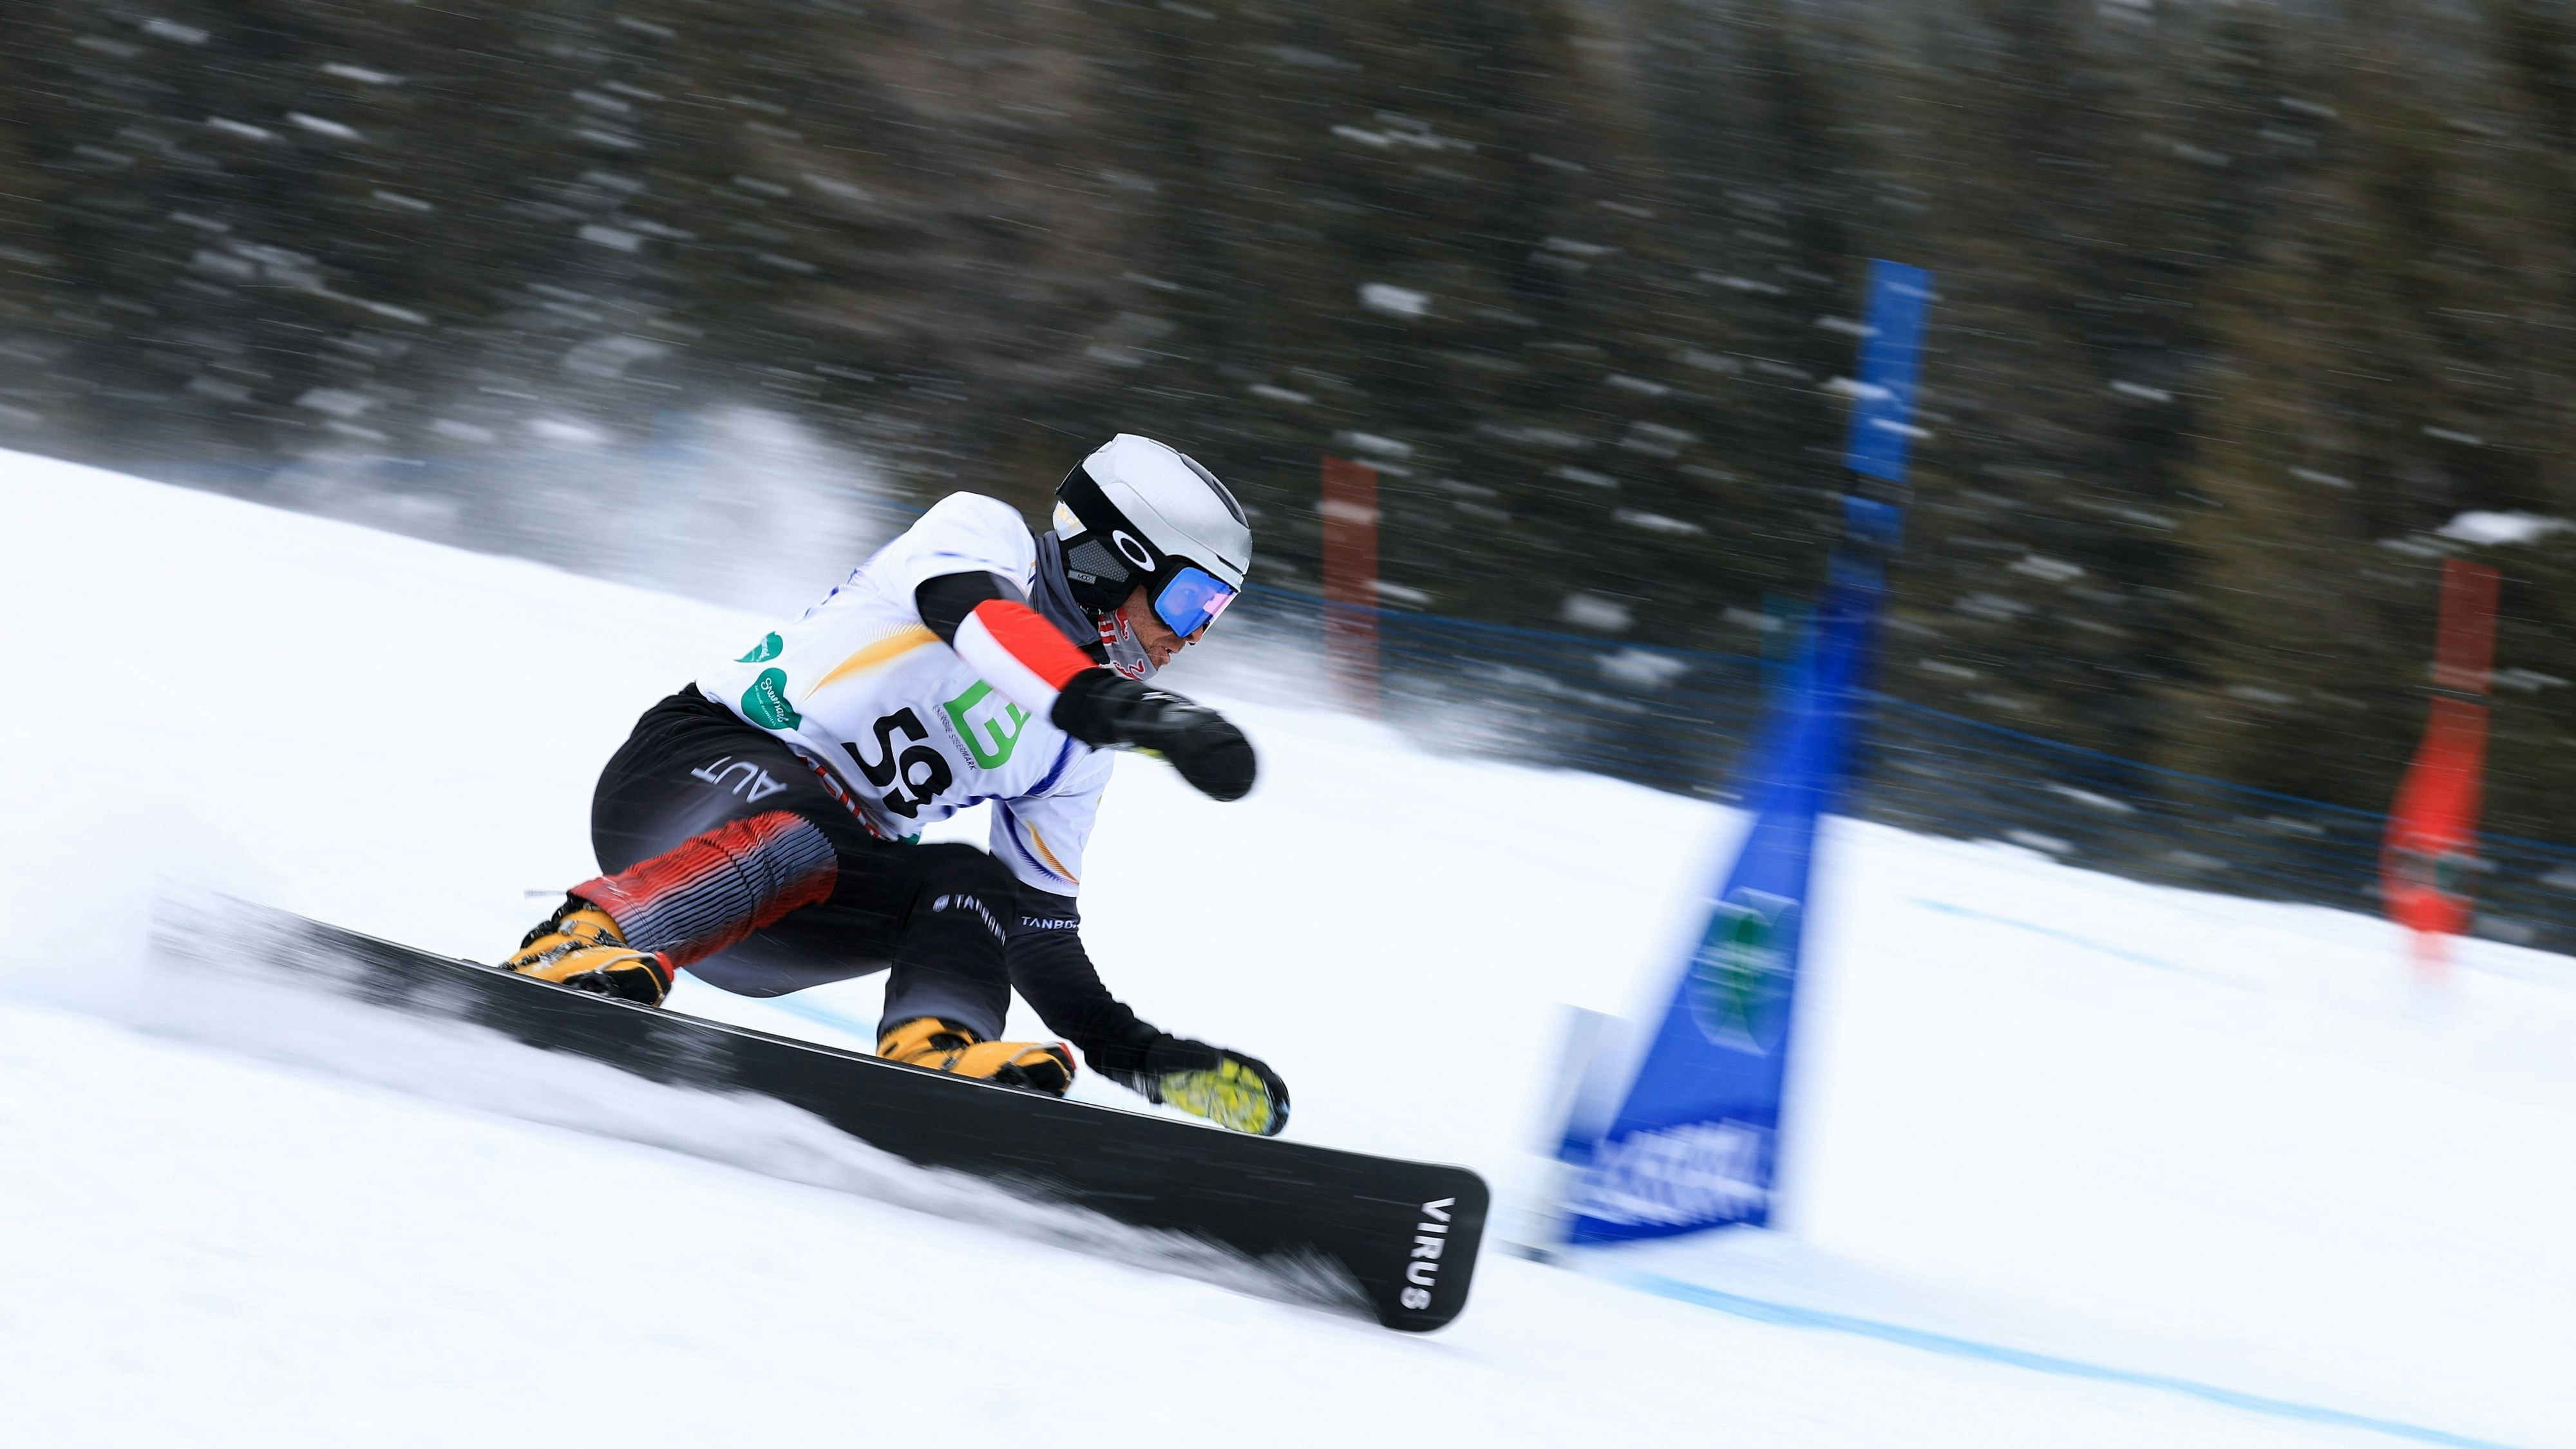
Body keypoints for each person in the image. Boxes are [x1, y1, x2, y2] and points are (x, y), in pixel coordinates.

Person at [499, 434, 1289, 1135]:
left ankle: (935, 1047)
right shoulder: (980, 534)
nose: (1190, 636)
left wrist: (1134, 1052)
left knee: (970, 883)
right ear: (1116, 557)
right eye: (1191, 600)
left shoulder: (1075, 752)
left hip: (787, 909)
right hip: (683, 780)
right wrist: (1125, 710)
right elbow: (981, 622)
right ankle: (581, 940)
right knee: (812, 826)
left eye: (1214, 612)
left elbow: (1038, 930)